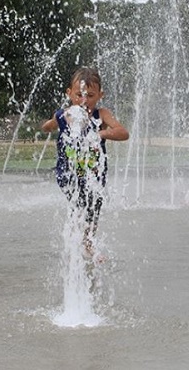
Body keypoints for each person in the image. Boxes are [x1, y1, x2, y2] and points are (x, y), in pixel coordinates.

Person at [41, 66, 129, 259]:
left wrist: (102, 133)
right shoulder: (63, 115)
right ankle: (75, 239)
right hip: (68, 172)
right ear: (69, 93)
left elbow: (123, 133)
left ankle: (88, 243)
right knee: (80, 203)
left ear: (99, 95)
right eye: (79, 94)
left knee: (94, 208)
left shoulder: (101, 115)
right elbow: (48, 125)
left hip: (94, 174)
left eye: (90, 95)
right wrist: (47, 126)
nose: (84, 100)